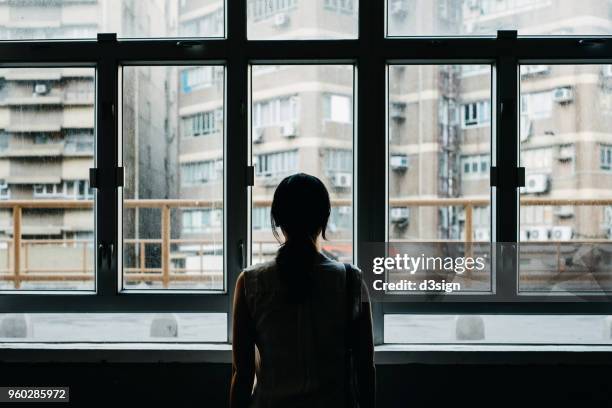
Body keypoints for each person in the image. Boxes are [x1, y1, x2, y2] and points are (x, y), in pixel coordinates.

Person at [230, 173, 375, 408]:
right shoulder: (351, 281)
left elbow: (242, 374)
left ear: (277, 219)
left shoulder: (250, 283)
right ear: (324, 218)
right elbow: (365, 369)